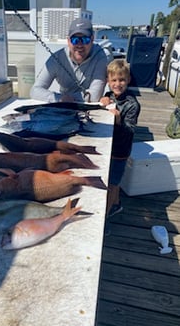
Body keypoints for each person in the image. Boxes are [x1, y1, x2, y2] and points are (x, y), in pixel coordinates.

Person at [100, 59, 141, 220]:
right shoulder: (109, 96)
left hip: (120, 152)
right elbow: (106, 99)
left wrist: (118, 121)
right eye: (114, 80)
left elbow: (130, 131)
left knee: (112, 185)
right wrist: (104, 99)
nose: (118, 84)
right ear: (108, 81)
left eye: (122, 80)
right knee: (110, 180)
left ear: (128, 80)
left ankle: (106, 216)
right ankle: (116, 205)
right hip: (107, 148)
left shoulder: (132, 105)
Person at [30, 18, 108, 103]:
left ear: (92, 40)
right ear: (68, 41)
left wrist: (68, 98)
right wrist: (60, 98)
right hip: (64, 105)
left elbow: (95, 95)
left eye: (85, 40)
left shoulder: (101, 56)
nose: (79, 45)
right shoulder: (56, 58)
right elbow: (35, 90)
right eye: (75, 40)